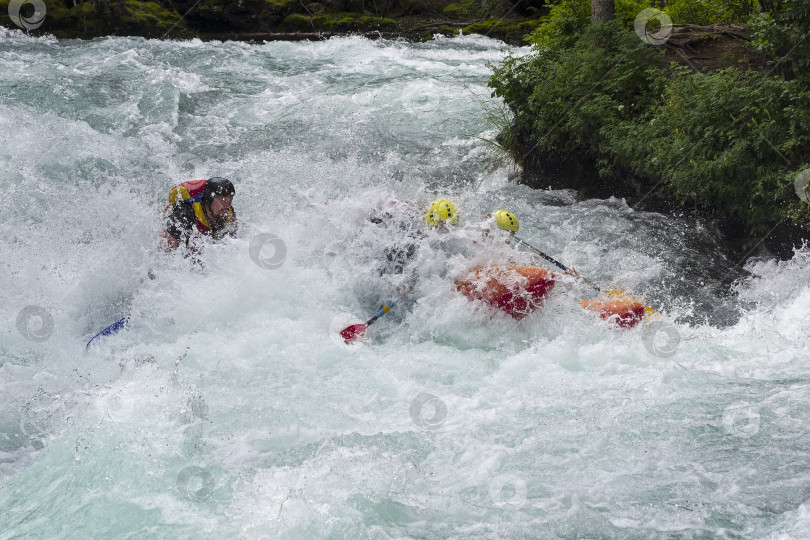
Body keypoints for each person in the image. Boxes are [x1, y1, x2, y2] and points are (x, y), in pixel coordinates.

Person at [161, 177, 237, 252]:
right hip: (170, 223)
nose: (228, 205)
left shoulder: (227, 212)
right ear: (208, 200)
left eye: (230, 200)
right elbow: (166, 251)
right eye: (223, 200)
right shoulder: (185, 213)